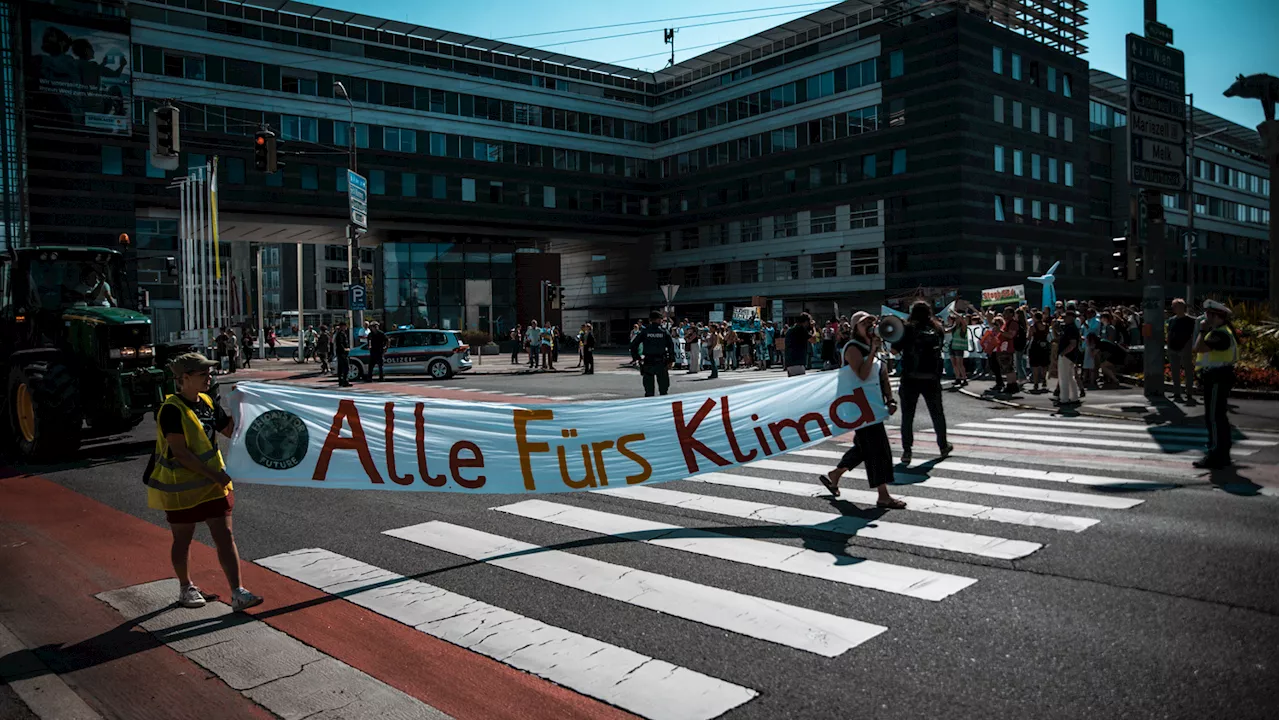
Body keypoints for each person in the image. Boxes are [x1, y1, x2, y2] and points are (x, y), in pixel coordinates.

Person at [148, 353, 262, 612]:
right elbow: (181, 453)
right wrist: (216, 475)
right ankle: (186, 587)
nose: (209, 377)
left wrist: (241, 406)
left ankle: (237, 592)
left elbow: (228, 430)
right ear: (184, 378)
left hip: (213, 485)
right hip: (183, 487)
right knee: (183, 539)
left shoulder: (208, 402)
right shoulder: (171, 410)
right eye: (203, 374)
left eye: (209, 373)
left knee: (225, 535)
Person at [814, 312, 905, 508]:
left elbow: (883, 375)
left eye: (872, 320)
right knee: (878, 448)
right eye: (865, 322)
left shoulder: (874, 346)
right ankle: (883, 495)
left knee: (865, 447)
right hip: (859, 407)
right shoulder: (852, 348)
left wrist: (890, 399)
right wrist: (872, 350)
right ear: (856, 328)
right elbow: (862, 375)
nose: (871, 324)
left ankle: (835, 475)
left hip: (873, 405)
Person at [893, 301, 953, 465]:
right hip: (931, 377)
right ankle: (943, 445)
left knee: (907, 416)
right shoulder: (937, 328)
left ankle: (907, 451)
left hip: (910, 377)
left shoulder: (907, 329)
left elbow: (893, 350)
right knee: (937, 413)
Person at [1193, 300, 1238, 469]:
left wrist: (1202, 330)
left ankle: (1216, 454)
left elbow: (1199, 348)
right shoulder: (1221, 332)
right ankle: (1221, 454)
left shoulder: (1220, 334)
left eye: (1208, 314)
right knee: (1217, 417)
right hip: (1216, 377)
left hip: (1217, 378)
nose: (1206, 317)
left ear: (1217, 316)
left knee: (1214, 418)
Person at [630, 311, 675, 396]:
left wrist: (637, 358)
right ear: (659, 320)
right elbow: (671, 347)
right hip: (661, 361)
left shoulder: (645, 331)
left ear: (650, 320)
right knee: (663, 389)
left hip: (648, 361)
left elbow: (633, 345)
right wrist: (671, 360)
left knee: (649, 390)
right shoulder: (664, 331)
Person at [1166, 298, 1197, 404]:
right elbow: (1169, 333)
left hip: (1185, 348)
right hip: (1173, 348)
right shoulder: (1171, 320)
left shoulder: (1191, 320)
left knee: (1188, 371)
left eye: (1175, 306)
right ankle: (1177, 392)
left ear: (1181, 307)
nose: (1173, 308)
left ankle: (1189, 392)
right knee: (1175, 372)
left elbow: (1194, 335)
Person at [1055, 307, 1082, 406]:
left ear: (1071, 317)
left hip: (1066, 355)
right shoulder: (1070, 327)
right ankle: (1074, 397)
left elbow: (1073, 343)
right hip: (1070, 356)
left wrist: (1063, 353)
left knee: (1063, 378)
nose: (1064, 319)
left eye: (1066, 317)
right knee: (1070, 377)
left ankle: (1064, 399)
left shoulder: (1071, 328)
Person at [1028, 311, 1052, 392]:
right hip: (1044, 346)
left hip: (1035, 346)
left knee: (1035, 365)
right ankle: (1044, 378)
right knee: (1044, 364)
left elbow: (1029, 337)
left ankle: (1036, 383)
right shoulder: (1046, 326)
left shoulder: (1033, 327)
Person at [945, 311, 970, 388]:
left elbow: (961, 319)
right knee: (954, 363)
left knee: (960, 363)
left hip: (959, 347)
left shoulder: (963, 327)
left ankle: (964, 378)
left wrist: (954, 312)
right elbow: (946, 331)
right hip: (952, 346)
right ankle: (958, 378)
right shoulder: (954, 328)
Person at [335, 320, 352, 387]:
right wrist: (345, 349)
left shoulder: (340, 333)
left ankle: (341, 381)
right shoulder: (341, 334)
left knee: (341, 367)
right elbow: (341, 343)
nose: (346, 327)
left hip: (340, 352)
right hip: (342, 353)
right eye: (345, 326)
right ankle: (345, 381)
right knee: (345, 367)